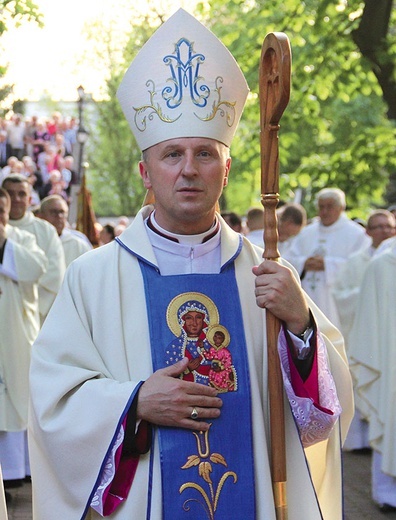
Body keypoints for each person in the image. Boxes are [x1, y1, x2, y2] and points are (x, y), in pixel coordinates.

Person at [28, 9, 353, 520]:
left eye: (205, 154)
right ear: (145, 171)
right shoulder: (92, 278)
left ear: (226, 171)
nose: (187, 170)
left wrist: (300, 325)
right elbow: (52, 397)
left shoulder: (264, 275)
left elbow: (322, 420)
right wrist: (133, 402)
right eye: (172, 154)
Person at [332, 209, 396, 451]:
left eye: (388, 226)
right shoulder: (357, 261)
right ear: (368, 231)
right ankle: (361, 441)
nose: (384, 231)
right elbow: (339, 295)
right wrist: (372, 295)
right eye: (378, 227)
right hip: (361, 330)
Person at [0, 188, 47, 491]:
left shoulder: (22, 239)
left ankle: (16, 468)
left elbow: (36, 268)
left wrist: (3, 243)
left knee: (16, 396)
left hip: (14, 332)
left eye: (1, 212)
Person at [348, 239, 396, 511]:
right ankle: (388, 494)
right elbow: (367, 321)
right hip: (389, 360)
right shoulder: (380, 266)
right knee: (388, 416)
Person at [285, 188, 370, 329]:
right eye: (321, 207)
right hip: (307, 297)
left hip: (337, 303)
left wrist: (327, 264)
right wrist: (304, 263)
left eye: (329, 207)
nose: (324, 211)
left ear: (341, 207)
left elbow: (361, 266)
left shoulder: (357, 234)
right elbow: (288, 259)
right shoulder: (307, 232)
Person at [2, 174, 66, 323]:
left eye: (22, 194)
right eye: (10, 193)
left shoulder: (46, 231)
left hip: (33, 315)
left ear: (30, 199)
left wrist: (23, 304)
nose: (16, 199)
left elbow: (54, 277)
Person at [38, 195, 92, 266]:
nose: (59, 216)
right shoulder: (33, 239)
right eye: (54, 212)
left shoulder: (78, 244)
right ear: (41, 216)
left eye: (62, 212)